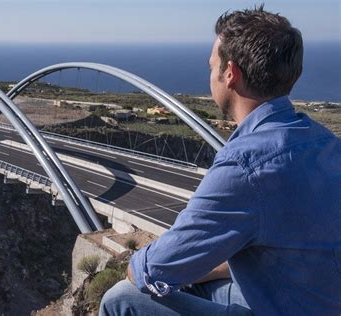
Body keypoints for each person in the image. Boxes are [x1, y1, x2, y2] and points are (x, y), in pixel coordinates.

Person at [100, 5, 341, 316]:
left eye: (211, 65)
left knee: (122, 298)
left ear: (230, 74)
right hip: (311, 299)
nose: (210, 73)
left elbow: (152, 271)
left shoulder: (245, 165)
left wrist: (158, 267)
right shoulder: (324, 142)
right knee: (196, 283)